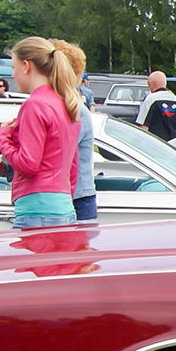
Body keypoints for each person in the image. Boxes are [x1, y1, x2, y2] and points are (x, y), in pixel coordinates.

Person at [0, 36, 81, 230]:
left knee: (30, 260)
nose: (13, 76)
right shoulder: (66, 104)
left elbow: (28, 164)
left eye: (13, 68)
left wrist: (4, 136)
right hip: (64, 205)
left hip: (36, 208)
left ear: (26, 66)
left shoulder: (35, 105)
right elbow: (73, 167)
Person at [53, 40, 98, 222]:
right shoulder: (67, 107)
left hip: (75, 197)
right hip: (73, 195)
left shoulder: (73, 109)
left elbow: (51, 153)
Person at [134, 71, 176, 141]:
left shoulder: (150, 99)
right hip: (172, 143)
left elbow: (143, 126)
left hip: (155, 143)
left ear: (153, 83)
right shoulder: (175, 99)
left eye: (148, 84)